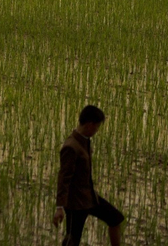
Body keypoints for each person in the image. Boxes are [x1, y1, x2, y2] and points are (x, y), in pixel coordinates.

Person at [53, 105, 124, 246]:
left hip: (90, 198)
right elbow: (63, 178)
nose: (97, 131)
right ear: (90, 125)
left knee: (116, 218)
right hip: (76, 205)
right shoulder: (71, 147)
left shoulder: (84, 141)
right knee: (72, 241)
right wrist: (60, 207)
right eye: (97, 127)